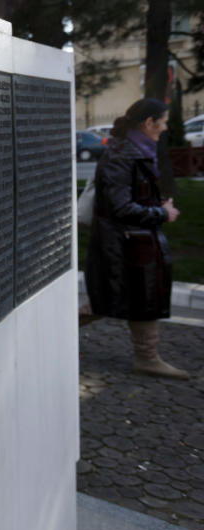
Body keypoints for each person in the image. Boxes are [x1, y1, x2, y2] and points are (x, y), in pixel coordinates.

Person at [84, 98, 187, 379]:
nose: (165, 128)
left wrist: (157, 205)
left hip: (134, 242)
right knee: (118, 299)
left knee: (137, 299)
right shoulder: (122, 155)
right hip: (123, 244)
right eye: (163, 122)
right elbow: (119, 207)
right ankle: (146, 358)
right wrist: (161, 213)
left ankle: (147, 358)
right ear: (148, 123)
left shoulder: (135, 150)